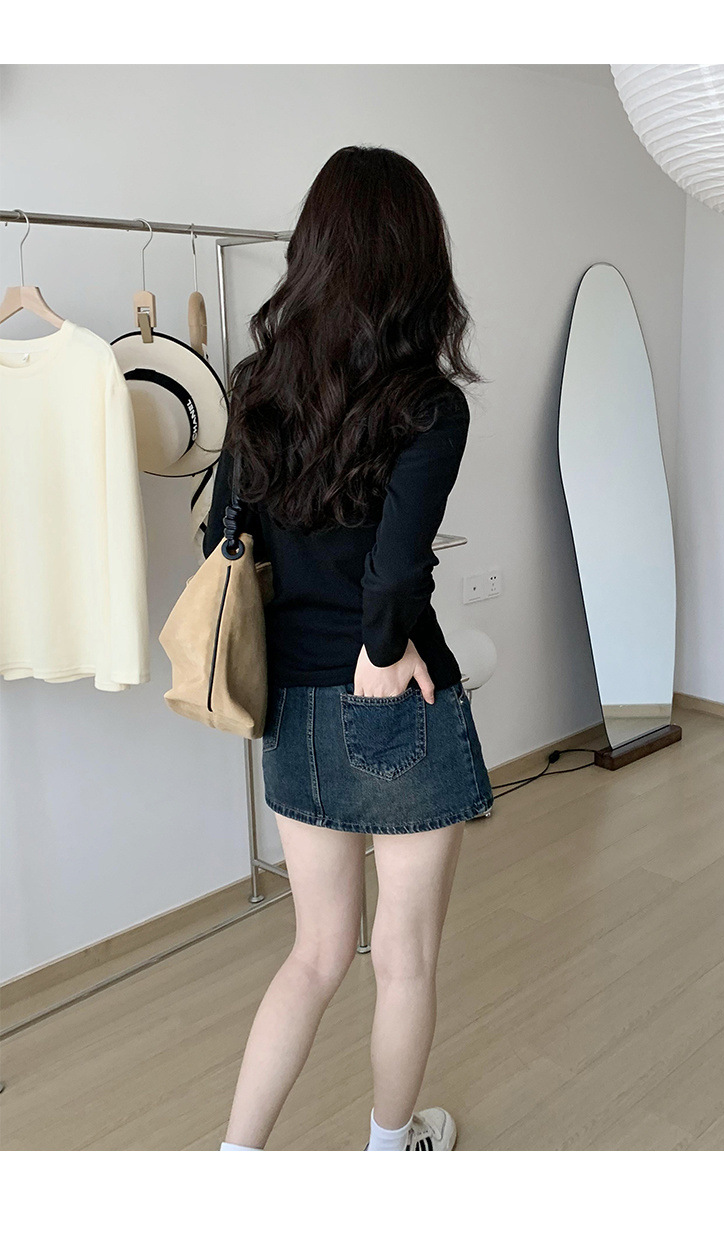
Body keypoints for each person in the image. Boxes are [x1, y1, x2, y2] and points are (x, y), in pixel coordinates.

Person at [204, 145, 494, 1152]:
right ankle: (390, 1154)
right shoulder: (429, 404)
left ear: (314, 251)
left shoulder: (258, 386)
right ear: (417, 260)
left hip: (289, 701)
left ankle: (234, 1167)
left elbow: (224, 542)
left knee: (315, 952)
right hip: (392, 699)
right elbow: (396, 567)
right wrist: (380, 647)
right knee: (401, 956)